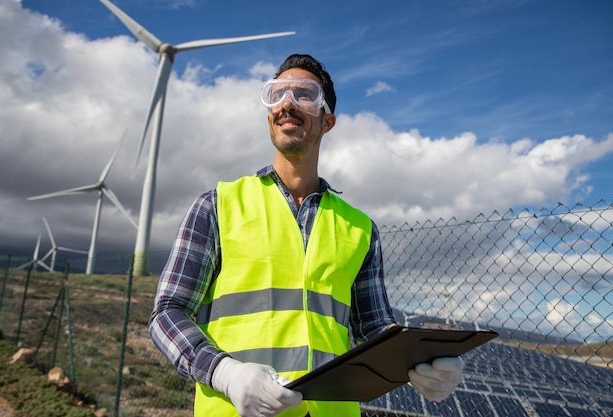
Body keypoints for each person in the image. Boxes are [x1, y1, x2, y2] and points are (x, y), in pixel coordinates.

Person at [149, 53, 464, 417]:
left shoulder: (360, 228)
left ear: (327, 121)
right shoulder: (217, 205)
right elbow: (167, 312)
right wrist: (225, 373)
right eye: (277, 94)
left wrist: (419, 362)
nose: (287, 103)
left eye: (304, 95)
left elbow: (374, 327)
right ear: (269, 114)